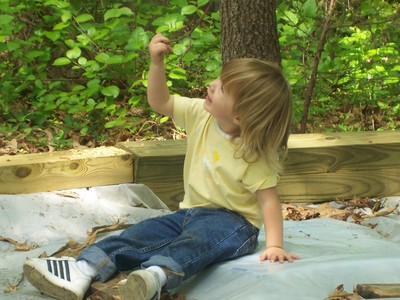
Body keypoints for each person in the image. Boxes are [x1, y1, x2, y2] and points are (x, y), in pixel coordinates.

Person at [23, 33, 300, 300]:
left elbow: (268, 201)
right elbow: (160, 101)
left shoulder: (253, 154)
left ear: (239, 115)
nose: (212, 85)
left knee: (198, 243)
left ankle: (156, 277)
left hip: (234, 224)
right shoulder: (199, 115)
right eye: (219, 79)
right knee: (142, 234)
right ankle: (82, 269)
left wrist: (274, 244)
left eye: (223, 88)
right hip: (188, 212)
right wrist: (157, 64)